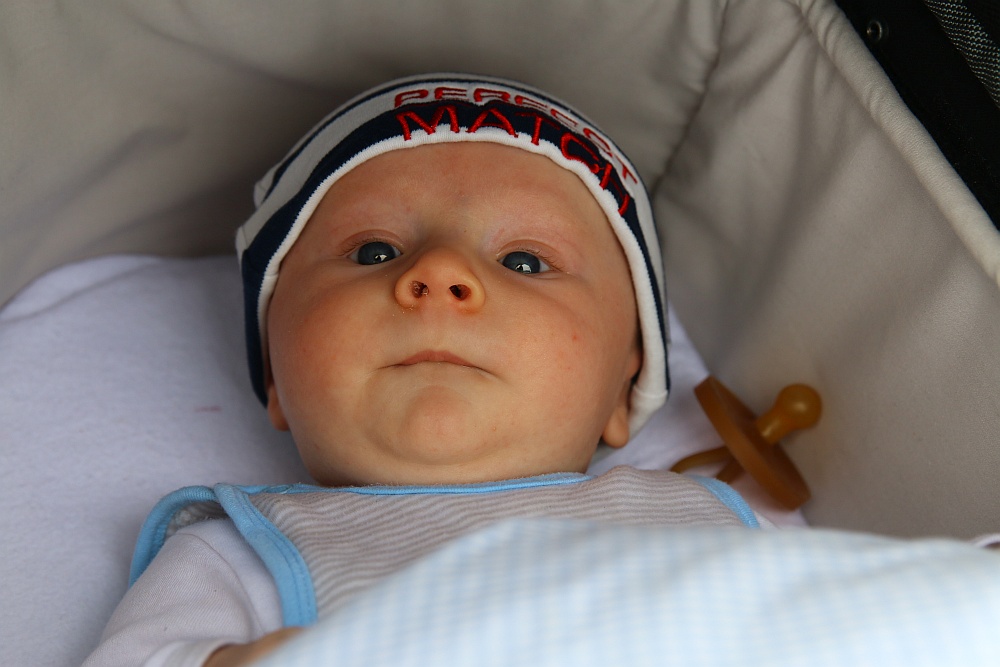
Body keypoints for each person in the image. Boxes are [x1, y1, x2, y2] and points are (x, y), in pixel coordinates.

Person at [84, 74, 763, 667]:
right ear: (276, 380)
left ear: (623, 388)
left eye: (525, 261)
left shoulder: (691, 529)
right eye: (373, 251)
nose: (439, 271)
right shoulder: (242, 553)